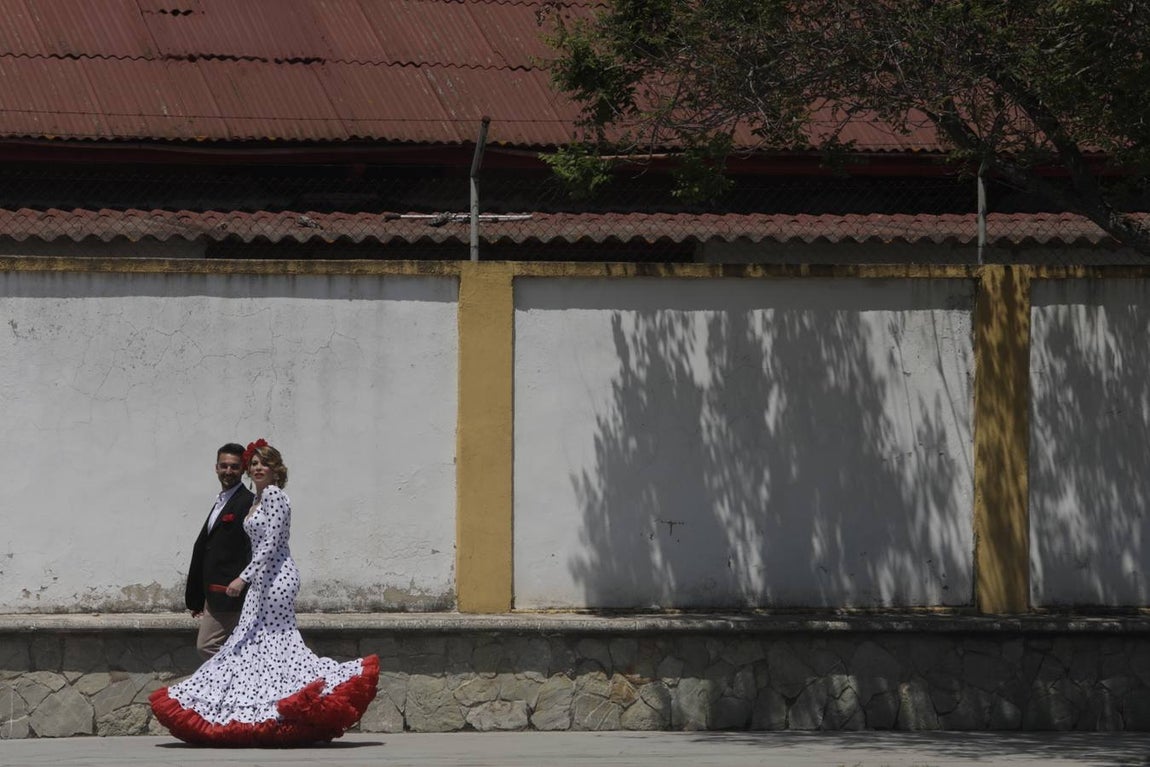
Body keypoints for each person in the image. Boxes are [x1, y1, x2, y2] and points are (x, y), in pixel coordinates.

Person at [151, 440, 379, 746]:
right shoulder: (257, 499)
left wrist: (242, 579)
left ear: (275, 470)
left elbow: (271, 545)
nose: (258, 468)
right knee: (258, 648)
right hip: (262, 581)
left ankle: (303, 699)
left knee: (277, 646)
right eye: (255, 463)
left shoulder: (274, 496)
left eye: (265, 464)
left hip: (275, 580)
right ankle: (269, 710)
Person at [186, 443, 254, 659]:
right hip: (212, 592)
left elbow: (250, 549)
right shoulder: (221, 500)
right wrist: (197, 597)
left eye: (234, 467)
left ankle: (239, 687)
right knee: (230, 646)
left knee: (207, 646)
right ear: (216, 467)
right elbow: (207, 547)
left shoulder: (247, 502)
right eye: (223, 466)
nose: (228, 471)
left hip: (228, 592)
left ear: (243, 469)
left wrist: (241, 583)